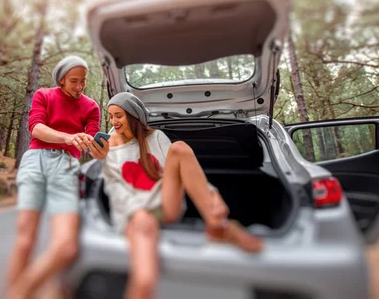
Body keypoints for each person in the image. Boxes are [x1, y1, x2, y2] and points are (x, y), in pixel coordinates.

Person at [89, 92, 263, 299]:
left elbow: (183, 168)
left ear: (133, 117)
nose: (113, 121)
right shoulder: (109, 148)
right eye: (110, 116)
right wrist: (136, 213)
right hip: (134, 215)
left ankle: (218, 225)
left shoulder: (156, 138)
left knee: (179, 148)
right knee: (144, 279)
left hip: (165, 204)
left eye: (118, 115)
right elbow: (115, 188)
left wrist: (212, 194)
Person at [5, 55, 100, 299]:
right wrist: (68, 138)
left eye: (83, 81)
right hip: (35, 160)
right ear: (61, 79)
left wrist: (98, 146)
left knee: (66, 246)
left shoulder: (91, 107)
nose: (79, 87)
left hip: (67, 166)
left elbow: (91, 143)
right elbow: (36, 128)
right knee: (25, 241)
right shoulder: (44, 95)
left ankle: (18, 293)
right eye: (73, 81)